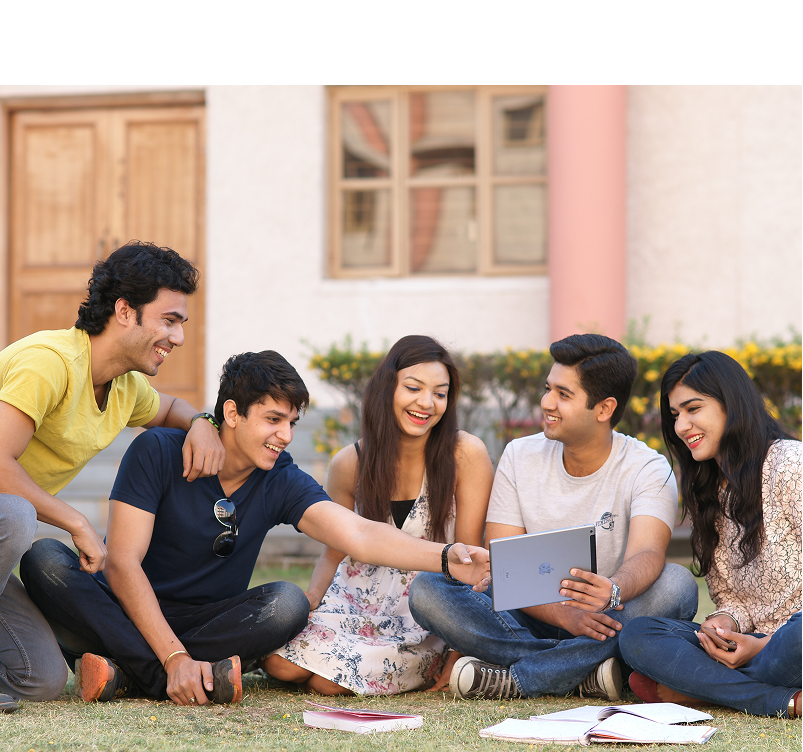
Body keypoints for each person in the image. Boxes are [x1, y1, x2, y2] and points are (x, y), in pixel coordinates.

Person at [20, 350, 491, 707]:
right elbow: (122, 563)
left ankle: (124, 668)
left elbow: (359, 535)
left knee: (285, 602)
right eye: (272, 419)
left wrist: (446, 559)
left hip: (206, 621)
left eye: (291, 422)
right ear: (231, 414)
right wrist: (171, 658)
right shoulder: (159, 451)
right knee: (44, 559)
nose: (285, 435)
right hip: (122, 605)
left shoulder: (280, 478)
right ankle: (161, 674)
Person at [409, 333, 700, 701]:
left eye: (563, 394)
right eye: (548, 389)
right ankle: (583, 673)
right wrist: (564, 615)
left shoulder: (648, 468)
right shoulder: (520, 455)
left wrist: (612, 591)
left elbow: (648, 555)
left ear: (604, 408)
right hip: (528, 615)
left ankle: (521, 678)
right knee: (428, 588)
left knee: (676, 586)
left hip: (609, 615)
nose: (546, 402)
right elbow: (503, 564)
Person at [0, 242, 224, 712]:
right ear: (125, 311)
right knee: (16, 515)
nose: (178, 337)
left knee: (39, 678)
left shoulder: (124, 387)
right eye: (169, 320)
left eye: (181, 322)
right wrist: (77, 522)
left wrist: (202, 422)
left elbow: (170, 408)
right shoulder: (50, 362)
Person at [266, 335, 493, 695]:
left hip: (421, 610)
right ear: (388, 388)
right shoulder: (349, 462)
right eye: (414, 388)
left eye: (440, 393)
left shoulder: (464, 453)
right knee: (278, 664)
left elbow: (469, 554)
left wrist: (459, 651)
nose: (426, 403)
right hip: (354, 598)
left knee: (327, 684)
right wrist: (311, 602)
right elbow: (334, 551)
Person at [620, 351, 802, 718]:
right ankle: (780, 699)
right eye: (675, 415)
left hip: (791, 640)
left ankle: (699, 688)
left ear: (730, 405)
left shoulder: (789, 464)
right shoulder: (707, 493)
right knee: (638, 636)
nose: (682, 426)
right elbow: (732, 597)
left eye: (693, 409)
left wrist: (762, 645)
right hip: (754, 651)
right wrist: (725, 624)